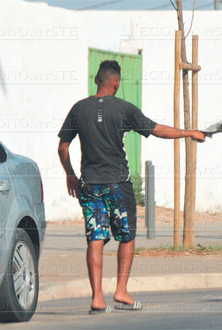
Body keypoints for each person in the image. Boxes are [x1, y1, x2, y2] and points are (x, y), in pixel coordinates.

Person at [58, 60, 206, 314]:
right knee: (126, 236)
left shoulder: (78, 109)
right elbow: (157, 130)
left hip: (89, 184)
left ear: (97, 80)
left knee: (95, 238)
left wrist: (70, 175)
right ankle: (121, 290)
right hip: (118, 185)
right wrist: (189, 132)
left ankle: (97, 298)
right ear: (116, 84)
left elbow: (63, 147)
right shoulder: (125, 109)